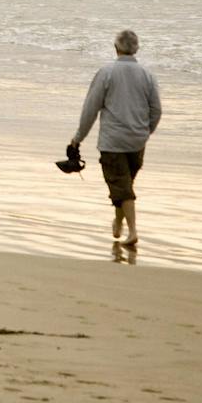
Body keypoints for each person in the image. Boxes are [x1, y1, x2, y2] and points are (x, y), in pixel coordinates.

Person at [69, 29, 164, 247]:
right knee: (124, 185)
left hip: (113, 141)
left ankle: (132, 232)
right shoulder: (147, 75)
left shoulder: (106, 72)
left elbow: (90, 109)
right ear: (137, 48)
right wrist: (145, 132)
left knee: (122, 187)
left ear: (115, 47)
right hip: (138, 141)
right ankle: (118, 222)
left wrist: (77, 139)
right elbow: (156, 110)